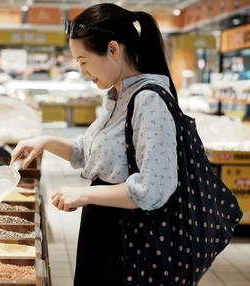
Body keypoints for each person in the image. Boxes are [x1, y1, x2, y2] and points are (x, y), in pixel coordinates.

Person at [10, 3, 180, 285]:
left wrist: (85, 195)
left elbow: (153, 188)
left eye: (83, 61)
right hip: (106, 231)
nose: (82, 71)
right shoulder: (117, 96)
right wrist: (46, 141)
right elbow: (91, 154)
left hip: (129, 241)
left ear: (113, 50)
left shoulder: (149, 100)